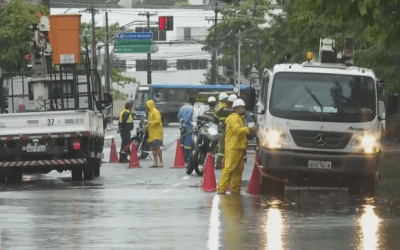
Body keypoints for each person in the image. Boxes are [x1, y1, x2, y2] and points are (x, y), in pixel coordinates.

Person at [217, 99, 257, 194]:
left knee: (238, 170)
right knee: (229, 168)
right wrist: (250, 129)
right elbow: (237, 130)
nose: (243, 109)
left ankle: (235, 190)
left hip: (239, 147)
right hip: (233, 147)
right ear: (236, 108)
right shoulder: (234, 118)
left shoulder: (240, 117)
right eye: (241, 107)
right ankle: (221, 189)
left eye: (243, 107)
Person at [213, 94, 237, 169]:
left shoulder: (222, 109)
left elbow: (215, 117)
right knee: (231, 146)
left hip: (222, 129)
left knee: (222, 146)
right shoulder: (235, 110)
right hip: (232, 131)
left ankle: (219, 162)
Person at [177, 96, 196, 163]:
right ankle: (186, 158)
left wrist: (182, 124)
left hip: (181, 127)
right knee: (187, 144)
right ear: (193, 102)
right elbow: (188, 117)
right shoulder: (191, 108)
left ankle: (181, 157)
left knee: (182, 142)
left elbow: (178, 116)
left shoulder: (182, 107)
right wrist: (185, 124)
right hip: (188, 127)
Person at [146, 100, 164, 168]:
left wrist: (150, 123)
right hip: (152, 133)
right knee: (153, 148)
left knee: (157, 148)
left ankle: (161, 162)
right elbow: (150, 121)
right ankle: (155, 163)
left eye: (147, 105)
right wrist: (147, 126)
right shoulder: (150, 112)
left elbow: (158, 120)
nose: (146, 107)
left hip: (157, 133)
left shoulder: (155, 111)